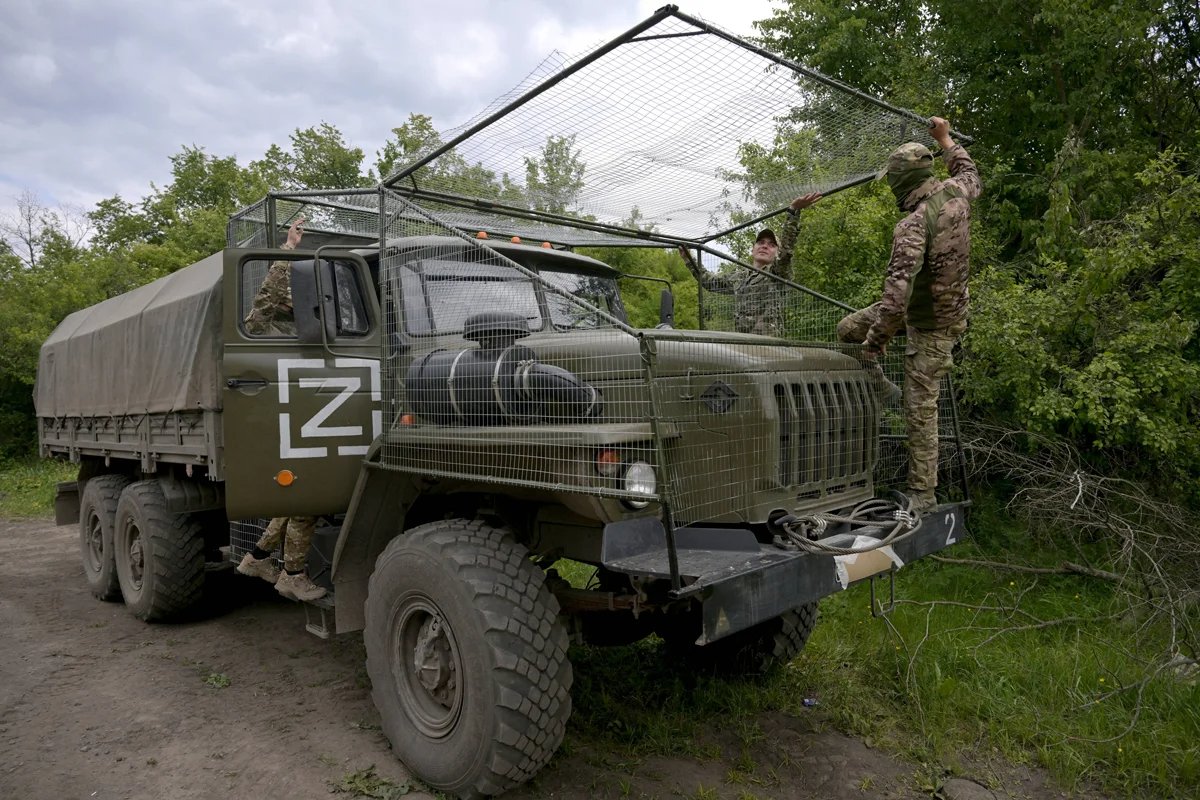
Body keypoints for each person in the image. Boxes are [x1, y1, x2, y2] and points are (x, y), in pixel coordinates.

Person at [836, 116, 981, 514]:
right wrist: (946, 139)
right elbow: (969, 170)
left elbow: (896, 300)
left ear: (900, 184)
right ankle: (881, 386)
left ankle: (922, 495)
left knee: (920, 412)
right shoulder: (958, 192)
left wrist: (876, 343)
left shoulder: (913, 226)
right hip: (940, 309)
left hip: (932, 326)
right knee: (847, 328)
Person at [236, 216, 326, 602]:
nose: (292, 303)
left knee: (299, 503)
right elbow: (265, 300)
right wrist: (287, 251)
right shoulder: (262, 329)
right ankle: (293, 574)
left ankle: (257, 557)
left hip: (303, 422)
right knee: (308, 501)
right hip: (282, 424)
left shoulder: (306, 336)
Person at [680, 192, 822, 336]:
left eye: (772, 245)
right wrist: (688, 259)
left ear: (777, 252)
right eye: (760, 243)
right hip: (743, 345)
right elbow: (709, 282)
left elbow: (786, 252)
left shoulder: (776, 273)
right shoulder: (739, 277)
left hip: (769, 345)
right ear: (752, 249)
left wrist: (793, 212)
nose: (765, 246)